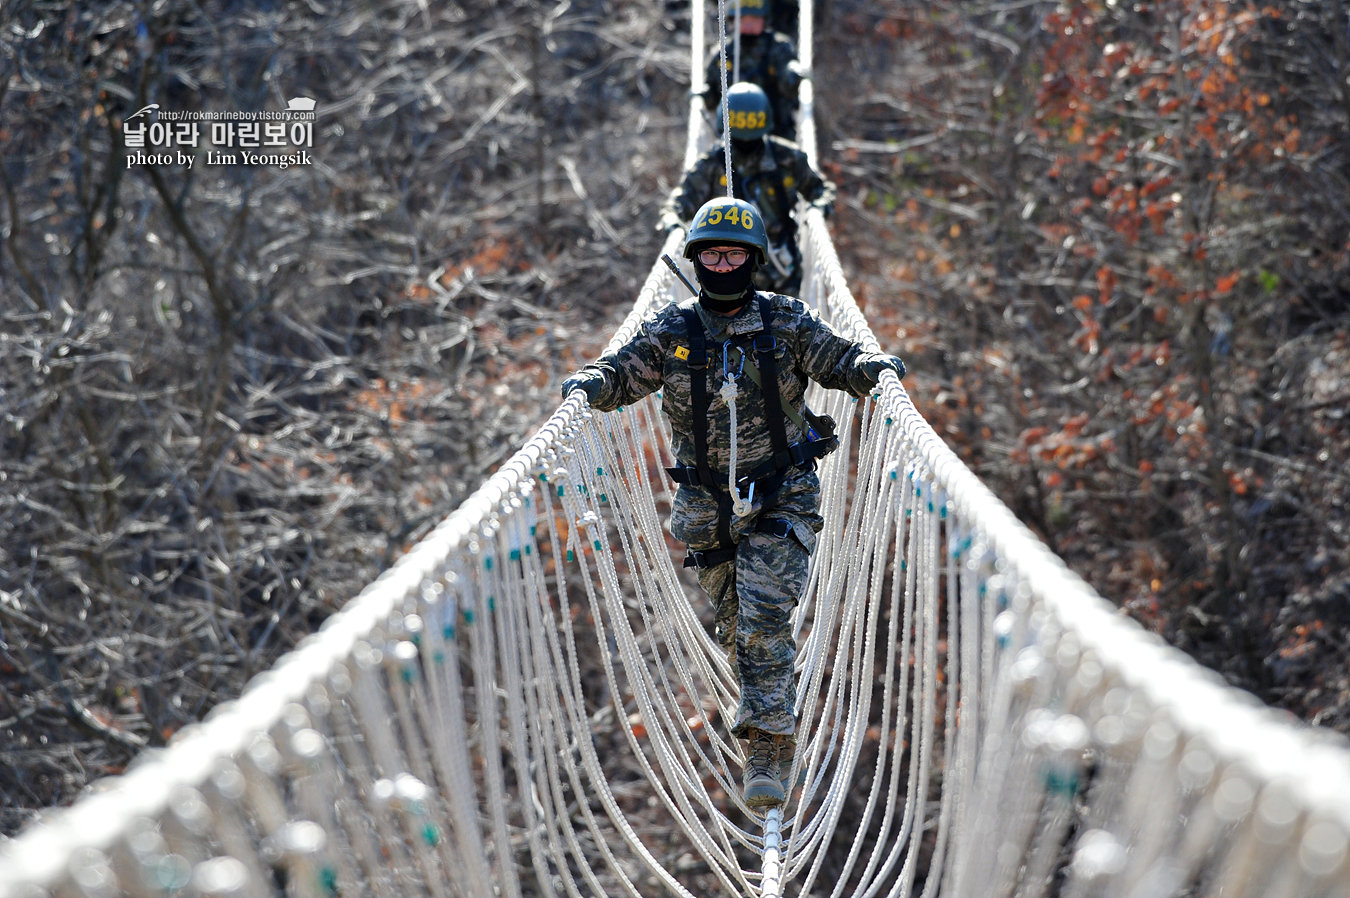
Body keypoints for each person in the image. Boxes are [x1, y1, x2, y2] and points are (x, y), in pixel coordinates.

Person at [561, 197, 905, 809]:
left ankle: (768, 750)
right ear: (697, 259)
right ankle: (764, 711)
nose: (724, 264)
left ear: (753, 258)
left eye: (735, 254)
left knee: (765, 615)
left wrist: (872, 369)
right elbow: (621, 376)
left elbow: (839, 362)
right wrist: (591, 384)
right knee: (737, 625)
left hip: (783, 493)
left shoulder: (787, 323)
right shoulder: (672, 332)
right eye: (713, 254)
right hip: (706, 507)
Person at [658, 82, 835, 296]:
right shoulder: (713, 165)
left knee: (783, 327)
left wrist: (817, 210)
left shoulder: (787, 159)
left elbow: (820, 190)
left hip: (780, 272)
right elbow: (679, 203)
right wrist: (674, 223)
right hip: (728, 274)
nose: (746, 143)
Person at [702, 0, 804, 141]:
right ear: (733, 21)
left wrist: (793, 74)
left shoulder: (779, 48)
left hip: (776, 136)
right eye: (743, 20)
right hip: (733, 140)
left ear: (764, 20)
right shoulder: (723, 52)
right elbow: (711, 98)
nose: (748, 25)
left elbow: (789, 88)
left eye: (754, 19)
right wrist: (704, 94)